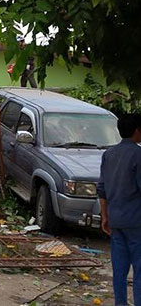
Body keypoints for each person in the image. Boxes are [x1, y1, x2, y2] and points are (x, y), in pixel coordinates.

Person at [98, 113, 141, 305]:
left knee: (119, 270)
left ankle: (120, 303)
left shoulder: (109, 155)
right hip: (136, 221)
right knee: (139, 271)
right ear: (137, 131)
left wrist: (104, 216)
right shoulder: (138, 155)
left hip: (115, 219)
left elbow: (102, 189)